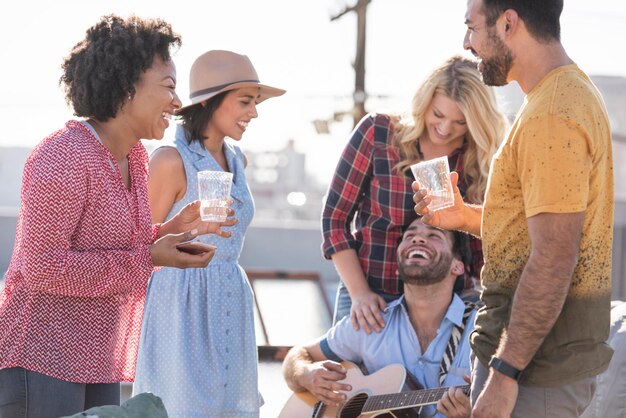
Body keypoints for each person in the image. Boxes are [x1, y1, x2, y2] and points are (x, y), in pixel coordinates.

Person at [0, 15, 235, 418]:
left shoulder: (135, 159)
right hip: (41, 357)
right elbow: (42, 267)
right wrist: (150, 257)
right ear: (126, 86)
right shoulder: (64, 156)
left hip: (97, 358)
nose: (178, 103)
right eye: (169, 86)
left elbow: (112, 247)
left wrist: (171, 232)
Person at [413, 0, 614, 416]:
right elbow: (538, 234)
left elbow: (555, 255)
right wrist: (465, 217)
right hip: (531, 367)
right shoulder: (555, 97)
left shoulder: (553, 113)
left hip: (534, 373)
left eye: (472, 27)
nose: (467, 43)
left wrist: (504, 374)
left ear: (508, 23)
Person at [132, 50, 285, 417]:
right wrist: (185, 231)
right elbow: (138, 245)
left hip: (230, 296)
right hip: (180, 303)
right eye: (245, 101)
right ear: (211, 102)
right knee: (183, 407)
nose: (254, 112)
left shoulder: (239, 160)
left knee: (232, 408)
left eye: (255, 102)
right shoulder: (170, 160)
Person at [321, 54, 507, 331]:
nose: (445, 129)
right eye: (439, 115)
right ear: (425, 103)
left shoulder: (477, 160)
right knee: (348, 373)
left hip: (442, 308)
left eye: (460, 122)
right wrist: (360, 294)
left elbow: (482, 253)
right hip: (369, 297)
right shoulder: (379, 133)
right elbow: (334, 220)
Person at [283, 218, 477, 418]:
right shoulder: (371, 322)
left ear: (458, 267)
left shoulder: (481, 331)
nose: (417, 239)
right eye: (409, 235)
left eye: (434, 235)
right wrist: (306, 374)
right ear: (397, 267)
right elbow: (298, 355)